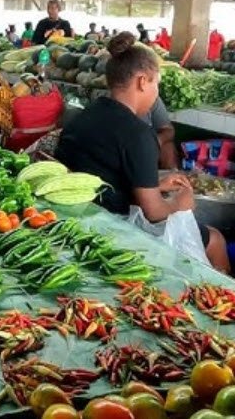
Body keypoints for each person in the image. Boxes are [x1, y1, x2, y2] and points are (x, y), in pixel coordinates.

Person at [55, 33, 229, 272]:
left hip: (84, 217)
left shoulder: (82, 116)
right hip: (118, 230)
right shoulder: (138, 133)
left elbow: (104, 176)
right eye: (156, 83)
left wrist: (155, 184)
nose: (156, 92)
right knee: (216, 239)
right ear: (141, 81)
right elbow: (154, 212)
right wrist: (181, 204)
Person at [146, 97, 179, 170]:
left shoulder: (152, 98)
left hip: (150, 146)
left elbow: (169, 130)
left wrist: (156, 141)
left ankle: (173, 175)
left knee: (167, 146)